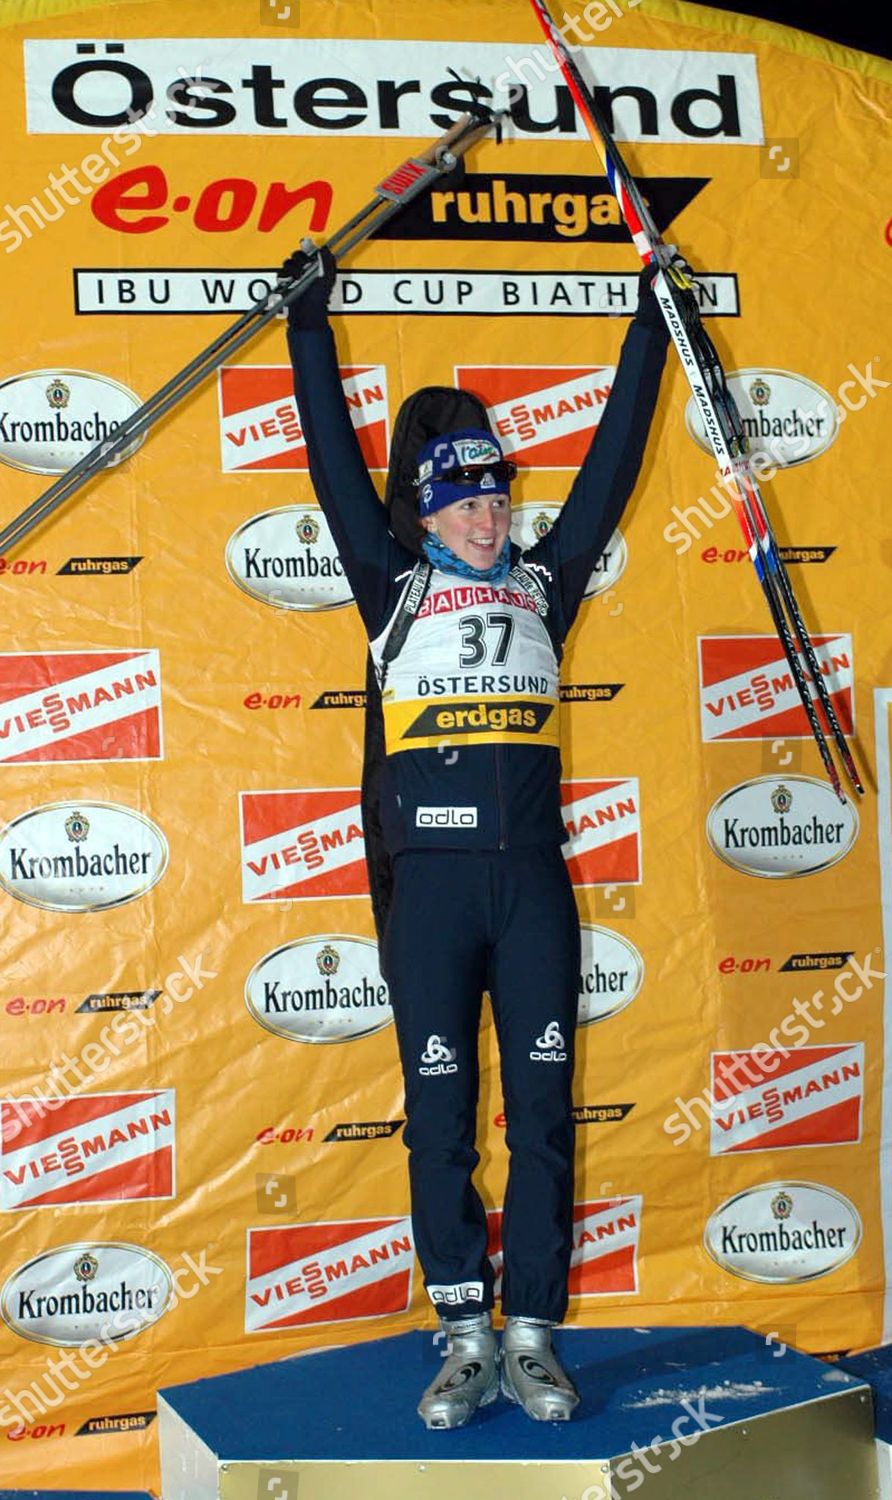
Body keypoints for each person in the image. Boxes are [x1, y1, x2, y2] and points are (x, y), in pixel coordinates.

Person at [283, 243, 670, 1428]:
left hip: (533, 887)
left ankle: (536, 1333)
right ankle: (461, 1331)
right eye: (464, 499)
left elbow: (610, 457)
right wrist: (307, 328)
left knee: (545, 1117)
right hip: (437, 893)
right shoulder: (389, 582)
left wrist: (651, 324)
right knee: (441, 1117)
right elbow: (335, 466)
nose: (490, 515)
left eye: (499, 495)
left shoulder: (550, 584)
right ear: (426, 510)